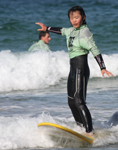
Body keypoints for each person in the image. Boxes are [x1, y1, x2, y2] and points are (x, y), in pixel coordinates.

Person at [36, 6, 113, 135]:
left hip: (81, 69)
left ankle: (90, 132)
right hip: (72, 70)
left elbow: (94, 49)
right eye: (71, 18)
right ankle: (81, 129)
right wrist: (47, 28)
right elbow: (62, 30)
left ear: (83, 17)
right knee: (71, 102)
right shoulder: (71, 30)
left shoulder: (85, 32)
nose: (74, 20)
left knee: (79, 101)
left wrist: (102, 67)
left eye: (77, 17)